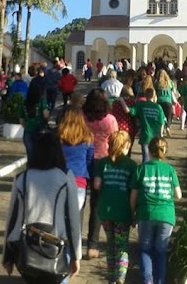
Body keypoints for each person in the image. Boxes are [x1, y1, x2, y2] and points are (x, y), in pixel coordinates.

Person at [3, 132, 82, 284]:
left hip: (27, 249)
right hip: (57, 247)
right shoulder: (65, 177)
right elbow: (73, 219)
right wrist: (76, 256)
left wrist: (7, 257)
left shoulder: (22, 178)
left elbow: (12, 219)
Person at [130, 137, 182, 284]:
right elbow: (179, 195)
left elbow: (133, 197)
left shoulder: (141, 169)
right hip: (166, 215)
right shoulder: (170, 170)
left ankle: (148, 280)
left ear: (149, 151)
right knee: (160, 251)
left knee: (145, 249)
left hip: (146, 213)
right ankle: (160, 281)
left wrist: (133, 213)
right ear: (165, 151)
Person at [94, 131, 136, 284]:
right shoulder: (131, 165)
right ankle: (120, 278)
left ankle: (111, 278)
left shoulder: (103, 163)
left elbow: (97, 185)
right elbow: (134, 191)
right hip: (122, 211)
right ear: (126, 145)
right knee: (122, 245)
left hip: (105, 210)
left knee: (110, 244)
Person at [83, 89, 118, 260]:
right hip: (103, 161)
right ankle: (92, 245)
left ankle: (73, 241)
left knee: (79, 201)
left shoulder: (83, 118)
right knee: (96, 204)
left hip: (83, 160)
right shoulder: (110, 120)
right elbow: (115, 141)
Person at [57, 107, 94, 212]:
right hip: (79, 181)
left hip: (59, 180)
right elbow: (89, 162)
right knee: (74, 220)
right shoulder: (88, 138)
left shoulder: (58, 136)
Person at [130, 88, 166, 163]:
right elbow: (162, 122)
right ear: (154, 95)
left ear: (145, 95)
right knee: (156, 158)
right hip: (156, 136)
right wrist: (161, 135)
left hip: (145, 135)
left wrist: (123, 101)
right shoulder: (158, 107)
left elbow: (131, 112)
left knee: (145, 158)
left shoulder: (141, 105)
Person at [21, 84, 50, 160]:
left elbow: (21, 120)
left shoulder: (24, 102)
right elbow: (45, 115)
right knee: (40, 155)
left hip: (27, 131)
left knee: (30, 155)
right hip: (39, 131)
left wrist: (27, 126)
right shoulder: (41, 101)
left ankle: (30, 169)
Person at [110, 85, 138, 153]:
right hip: (129, 128)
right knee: (127, 148)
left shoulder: (115, 102)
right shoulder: (132, 102)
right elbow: (134, 115)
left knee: (117, 148)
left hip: (117, 127)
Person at [155, 69, 175, 138]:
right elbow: (174, 91)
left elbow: (155, 91)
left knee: (161, 116)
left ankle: (162, 129)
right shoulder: (170, 82)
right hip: (168, 101)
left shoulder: (157, 83)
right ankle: (168, 127)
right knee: (169, 116)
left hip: (159, 101)